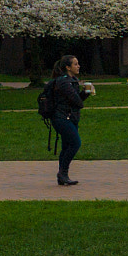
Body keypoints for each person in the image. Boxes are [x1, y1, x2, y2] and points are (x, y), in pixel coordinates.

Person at [43, 55, 90, 186]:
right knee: (75, 143)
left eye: (78, 63)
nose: (78, 66)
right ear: (67, 67)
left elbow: (75, 101)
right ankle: (62, 173)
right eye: (75, 64)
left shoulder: (72, 80)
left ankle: (63, 175)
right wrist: (82, 96)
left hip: (69, 117)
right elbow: (77, 102)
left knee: (66, 146)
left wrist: (85, 93)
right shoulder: (64, 82)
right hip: (62, 117)